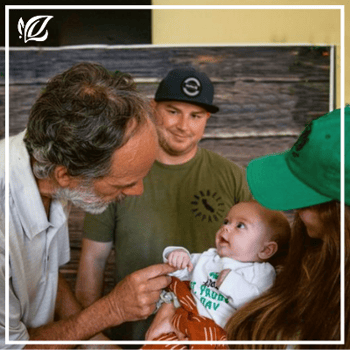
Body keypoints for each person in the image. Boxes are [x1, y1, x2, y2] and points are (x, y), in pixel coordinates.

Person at [0, 62, 174, 349]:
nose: (137, 191)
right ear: (65, 175)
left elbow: (45, 279)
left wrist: (101, 345)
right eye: (123, 183)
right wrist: (111, 310)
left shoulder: (47, 166)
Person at [148, 106, 350, 348]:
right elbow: (188, 275)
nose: (297, 210)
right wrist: (169, 306)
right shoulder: (310, 250)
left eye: (307, 200)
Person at [76, 67, 252, 341]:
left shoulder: (232, 176)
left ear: (206, 119)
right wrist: (93, 339)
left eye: (195, 116)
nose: (184, 125)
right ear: (152, 108)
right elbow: (93, 261)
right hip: (131, 340)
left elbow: (264, 258)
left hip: (213, 341)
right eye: (173, 111)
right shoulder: (118, 171)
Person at [144, 201, 290, 346]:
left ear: (266, 250)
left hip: (218, 333)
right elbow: (180, 273)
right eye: (226, 221)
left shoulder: (262, 272)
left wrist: (231, 283)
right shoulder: (208, 257)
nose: (226, 227)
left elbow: (256, 307)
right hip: (186, 323)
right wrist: (178, 255)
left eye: (240, 225)